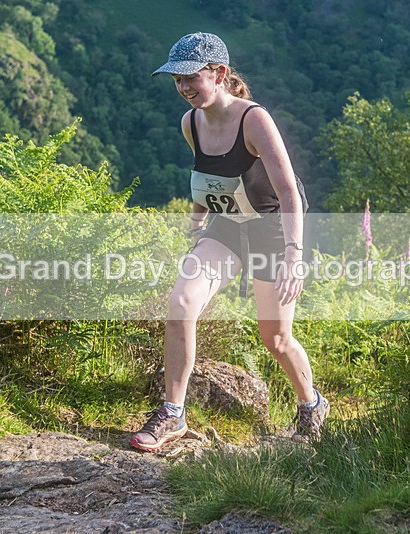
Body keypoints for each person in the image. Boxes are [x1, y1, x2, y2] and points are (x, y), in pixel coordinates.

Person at [129, 32, 329, 452]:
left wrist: (294, 255)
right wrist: (197, 228)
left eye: (191, 77)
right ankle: (173, 413)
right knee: (182, 300)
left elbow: (290, 191)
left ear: (218, 74)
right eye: (177, 80)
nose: (183, 88)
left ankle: (311, 404)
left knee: (274, 338)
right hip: (225, 226)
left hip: (272, 229)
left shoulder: (253, 119)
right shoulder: (191, 123)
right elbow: (207, 182)